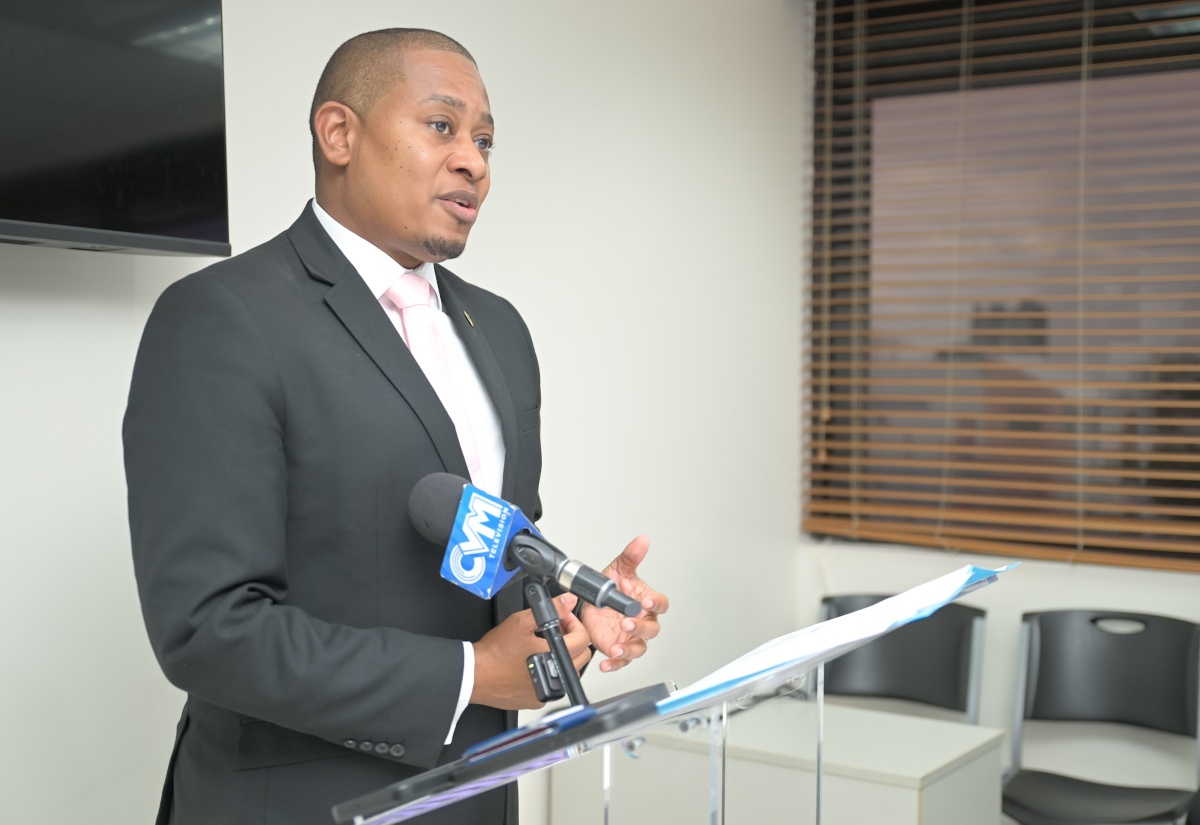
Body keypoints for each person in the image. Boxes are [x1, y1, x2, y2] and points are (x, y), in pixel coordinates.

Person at [124, 28, 668, 825]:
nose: (474, 160)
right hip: (300, 803)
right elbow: (208, 629)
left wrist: (571, 608)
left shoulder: (500, 330)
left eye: (485, 138)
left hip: (477, 794)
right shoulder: (221, 318)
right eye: (442, 126)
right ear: (339, 133)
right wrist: (468, 675)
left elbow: (481, 553)